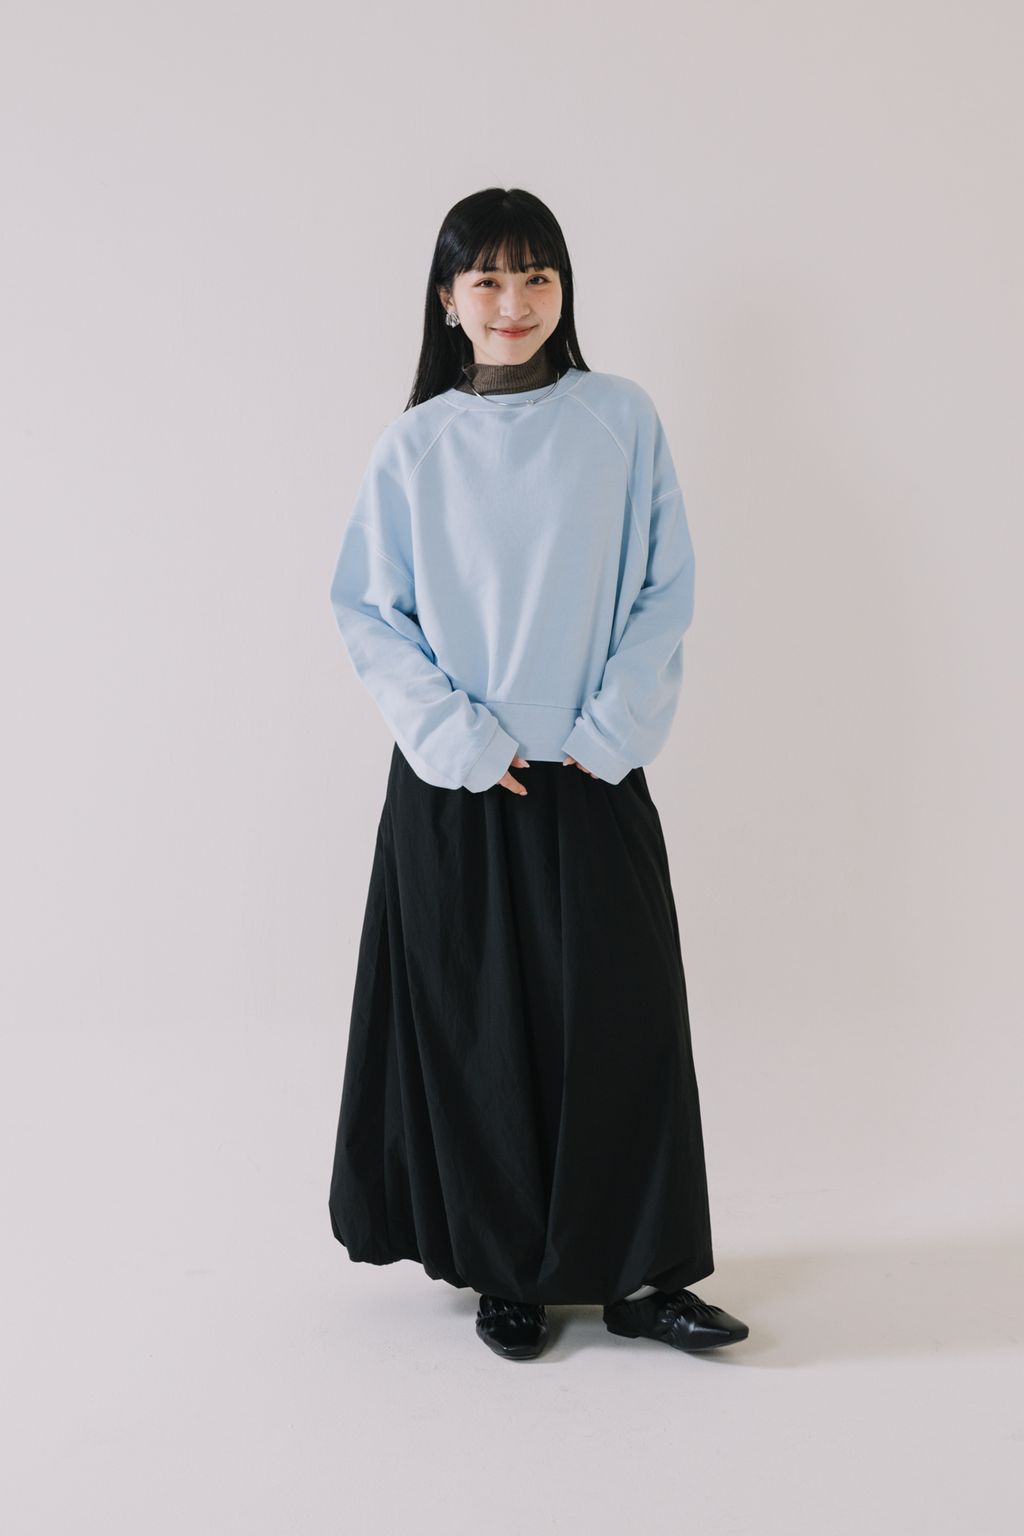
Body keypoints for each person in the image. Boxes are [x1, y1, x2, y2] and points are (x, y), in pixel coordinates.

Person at [326, 186, 749, 1361]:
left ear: (564, 288)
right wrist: (464, 742)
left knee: (624, 1020)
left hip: (591, 769)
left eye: (537, 275)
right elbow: (367, 611)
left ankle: (643, 1278)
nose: (512, 302)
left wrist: (607, 731)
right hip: (458, 785)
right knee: (476, 1035)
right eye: (488, 280)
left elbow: (665, 586)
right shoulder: (415, 445)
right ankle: (503, 1269)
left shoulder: (619, 419)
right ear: (446, 299)